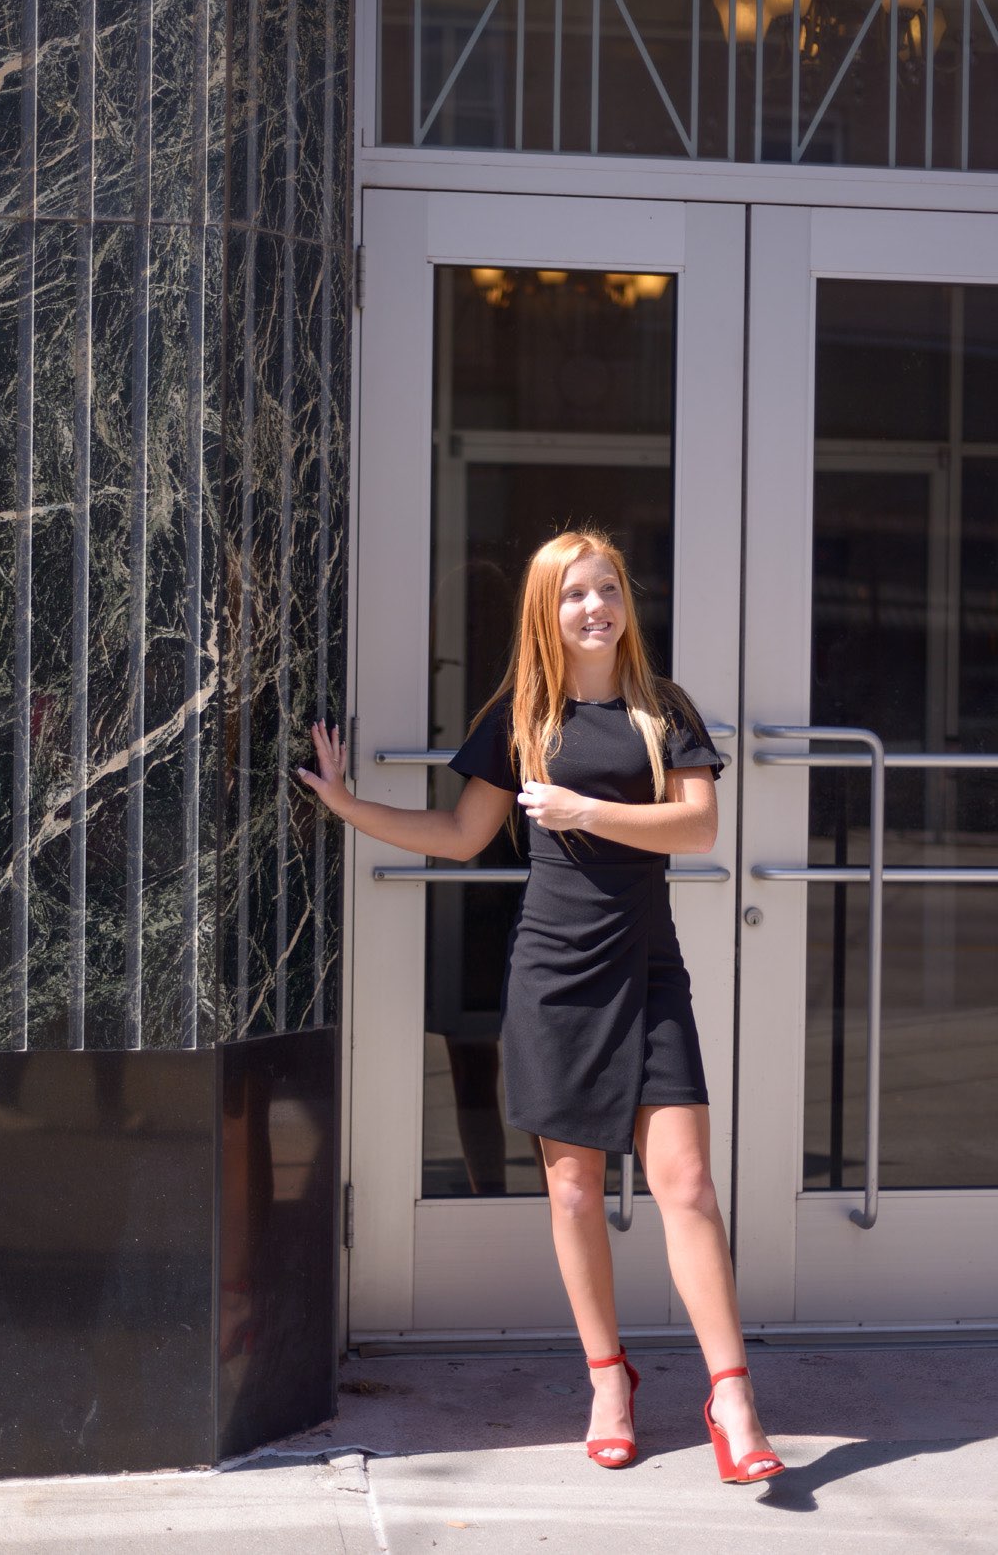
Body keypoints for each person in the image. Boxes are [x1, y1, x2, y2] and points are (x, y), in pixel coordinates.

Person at [297, 529, 784, 1484]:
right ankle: (609, 1380)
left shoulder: (661, 710)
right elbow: (458, 832)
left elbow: (697, 824)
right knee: (571, 1191)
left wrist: (582, 812)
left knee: (683, 1183)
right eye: (573, 594)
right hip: (553, 976)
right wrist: (349, 806)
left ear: (624, 604)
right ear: (545, 612)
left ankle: (731, 1394)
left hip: (647, 973)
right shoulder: (520, 714)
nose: (594, 607)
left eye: (606, 589)